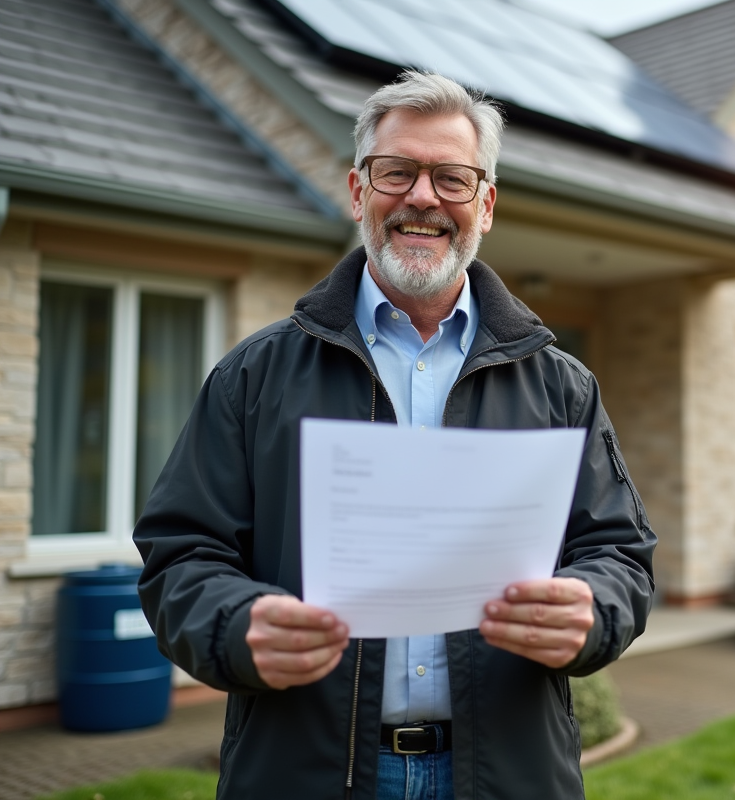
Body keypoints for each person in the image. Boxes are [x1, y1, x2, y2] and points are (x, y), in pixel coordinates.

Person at [134, 71, 656, 800]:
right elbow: (180, 557)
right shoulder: (253, 376)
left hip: (506, 774)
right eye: (397, 171)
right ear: (357, 191)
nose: (421, 197)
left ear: (487, 204)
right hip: (308, 775)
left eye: (451, 178)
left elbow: (621, 555)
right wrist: (234, 624)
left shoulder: (561, 385)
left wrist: (592, 610)